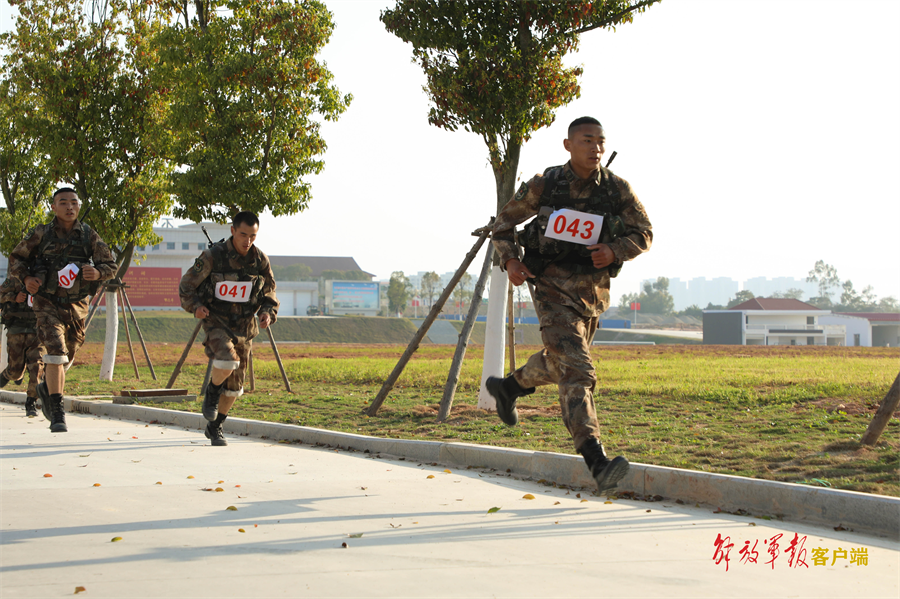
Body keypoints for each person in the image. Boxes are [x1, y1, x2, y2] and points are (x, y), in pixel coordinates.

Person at [486, 116, 653, 494]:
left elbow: (644, 232)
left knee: (559, 363)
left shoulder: (616, 189)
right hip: (549, 288)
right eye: (586, 140)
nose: (594, 148)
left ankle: (509, 387)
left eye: (600, 141)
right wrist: (511, 260)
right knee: (578, 371)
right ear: (568, 145)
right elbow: (502, 224)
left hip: (592, 295)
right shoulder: (546, 185)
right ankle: (597, 462)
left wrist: (614, 248)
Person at [8, 187, 117, 432]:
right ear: (54, 207)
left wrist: (98, 272)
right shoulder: (41, 233)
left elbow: (111, 265)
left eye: (74, 203)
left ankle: (47, 385)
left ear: (78, 206)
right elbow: (17, 258)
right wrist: (26, 279)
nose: (69, 207)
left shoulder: (89, 235)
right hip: (46, 301)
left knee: (69, 351)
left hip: (77, 306)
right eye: (63, 202)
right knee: (56, 351)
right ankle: (58, 412)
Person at [179, 211, 279, 446]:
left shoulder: (260, 260)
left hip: (245, 327)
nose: (248, 241)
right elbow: (186, 286)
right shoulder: (213, 257)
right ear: (233, 231)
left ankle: (215, 427)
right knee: (226, 360)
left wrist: (267, 313)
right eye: (243, 234)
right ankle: (212, 391)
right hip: (217, 322)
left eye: (253, 236)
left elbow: (270, 292)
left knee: (235, 386)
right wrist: (196, 307)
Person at [0, 278, 45, 417]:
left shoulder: (46, 277)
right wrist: (14, 297)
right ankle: (3, 378)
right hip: (16, 330)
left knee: (37, 367)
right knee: (15, 372)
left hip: (38, 330)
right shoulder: (14, 280)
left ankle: (31, 403)